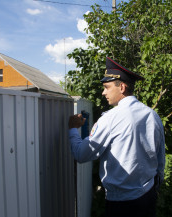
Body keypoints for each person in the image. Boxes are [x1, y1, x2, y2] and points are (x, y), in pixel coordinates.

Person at [68, 57, 165, 217]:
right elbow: (160, 158)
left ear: (122, 87)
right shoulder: (152, 115)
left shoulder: (110, 118)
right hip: (148, 196)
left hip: (121, 203)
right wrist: (155, 188)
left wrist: (72, 129)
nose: (103, 92)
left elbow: (81, 154)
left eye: (107, 87)